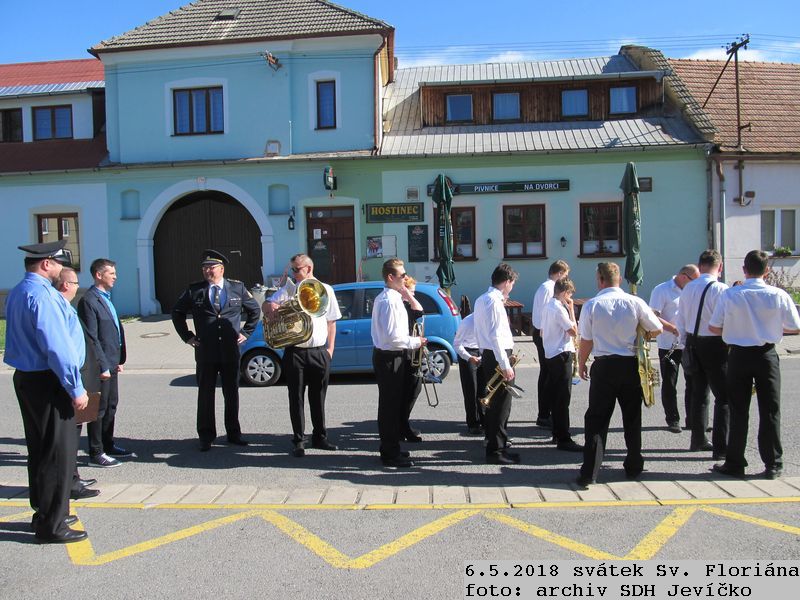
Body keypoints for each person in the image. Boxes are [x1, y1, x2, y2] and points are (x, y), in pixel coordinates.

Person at [4, 240, 90, 544]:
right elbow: (57, 347)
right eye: (58, 263)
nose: (61, 269)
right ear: (46, 264)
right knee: (57, 453)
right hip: (50, 380)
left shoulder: (19, 291)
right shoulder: (43, 295)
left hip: (28, 378)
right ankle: (53, 524)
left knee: (40, 450)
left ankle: (44, 513)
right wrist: (75, 387)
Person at [708, 250, 800, 479]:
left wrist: (736, 328)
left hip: (738, 354)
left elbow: (714, 327)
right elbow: (795, 327)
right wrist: (770, 327)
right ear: (767, 271)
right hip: (766, 354)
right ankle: (773, 464)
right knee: (770, 410)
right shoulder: (778, 294)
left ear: (744, 269)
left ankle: (735, 462)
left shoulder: (730, 295)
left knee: (738, 410)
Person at [576, 262, 662, 487]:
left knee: (596, 419)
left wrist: (581, 363)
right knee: (632, 417)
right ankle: (634, 465)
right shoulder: (635, 302)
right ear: (619, 280)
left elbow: (586, 340)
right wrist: (640, 335)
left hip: (604, 366)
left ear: (600, 280)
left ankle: (590, 472)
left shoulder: (591, 305)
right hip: (630, 364)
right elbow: (657, 328)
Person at [172, 249, 260, 451]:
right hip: (206, 351)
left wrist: (246, 332)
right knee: (205, 395)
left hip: (230, 351)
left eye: (211, 267)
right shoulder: (194, 290)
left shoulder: (237, 288)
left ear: (221, 269)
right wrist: (187, 336)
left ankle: (233, 433)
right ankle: (206, 436)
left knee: (231, 394)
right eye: (204, 267)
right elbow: (177, 312)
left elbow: (254, 310)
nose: (207, 271)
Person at [263, 254, 341, 457]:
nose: (293, 273)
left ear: (308, 268)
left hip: (319, 351)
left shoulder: (326, 290)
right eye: (292, 269)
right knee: (296, 397)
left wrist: (330, 350)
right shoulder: (290, 289)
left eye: (296, 269)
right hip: (295, 351)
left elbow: (332, 322)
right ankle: (299, 440)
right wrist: (270, 305)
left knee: (318, 397)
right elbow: (267, 304)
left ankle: (320, 437)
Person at [371, 258, 426, 468]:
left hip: (391, 355)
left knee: (393, 407)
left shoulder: (391, 297)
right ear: (390, 277)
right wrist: (416, 342)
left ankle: (392, 447)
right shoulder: (389, 301)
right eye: (402, 275)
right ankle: (389, 453)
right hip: (390, 356)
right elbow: (394, 338)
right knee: (389, 407)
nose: (405, 278)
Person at [676, 249, 729, 459]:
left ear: (700, 266)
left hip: (692, 341)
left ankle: (697, 439)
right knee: (723, 396)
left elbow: (681, 319)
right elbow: (725, 320)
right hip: (715, 343)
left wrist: (684, 342)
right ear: (720, 267)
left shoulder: (688, 288)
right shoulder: (721, 289)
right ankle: (721, 447)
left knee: (699, 393)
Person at [77, 258, 129, 468]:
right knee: (99, 408)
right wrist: (102, 365)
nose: (115, 277)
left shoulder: (106, 298)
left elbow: (114, 330)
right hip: (101, 365)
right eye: (111, 273)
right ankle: (96, 452)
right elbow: (92, 337)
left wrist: (119, 359)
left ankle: (108, 444)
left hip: (112, 361)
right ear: (99, 275)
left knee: (111, 405)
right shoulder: (89, 301)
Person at [55, 267, 100, 500]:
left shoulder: (65, 307)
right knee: (68, 436)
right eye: (75, 283)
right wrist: (76, 387)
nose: (77, 287)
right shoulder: (59, 309)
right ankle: (70, 484)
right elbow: (64, 352)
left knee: (73, 433)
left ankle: (73, 478)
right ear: (66, 285)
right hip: (70, 382)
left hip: (76, 378)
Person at [474, 263, 520, 465]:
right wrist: (505, 364)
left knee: (497, 405)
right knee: (501, 406)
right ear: (507, 281)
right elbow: (495, 336)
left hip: (490, 354)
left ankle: (498, 446)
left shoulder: (482, 299)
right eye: (512, 283)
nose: (512, 287)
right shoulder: (493, 301)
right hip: (497, 355)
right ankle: (496, 450)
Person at [648, 264, 700, 432]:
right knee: (670, 383)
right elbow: (653, 316)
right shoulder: (661, 290)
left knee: (693, 382)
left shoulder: (692, 290)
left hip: (689, 343)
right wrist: (672, 328)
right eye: (694, 280)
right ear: (684, 277)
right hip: (669, 344)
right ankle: (673, 419)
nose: (696, 283)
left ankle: (693, 419)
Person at [539, 277, 582, 452]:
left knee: (555, 396)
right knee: (563, 397)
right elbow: (573, 331)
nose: (570, 298)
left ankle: (557, 433)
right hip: (561, 353)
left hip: (550, 353)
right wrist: (571, 310)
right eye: (569, 294)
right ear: (564, 293)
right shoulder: (559, 308)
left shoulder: (547, 306)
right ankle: (563, 437)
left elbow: (542, 332)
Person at [531, 260, 570, 429]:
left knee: (547, 374)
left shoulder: (545, 286)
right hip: (544, 334)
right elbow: (547, 314)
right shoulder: (550, 288)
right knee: (549, 376)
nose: (566, 279)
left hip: (542, 333)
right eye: (565, 275)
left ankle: (545, 413)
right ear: (559, 273)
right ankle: (544, 414)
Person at [400, 275, 425, 443]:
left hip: (411, 351)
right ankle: (402, 426)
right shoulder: (402, 306)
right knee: (409, 390)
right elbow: (419, 310)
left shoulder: (407, 305)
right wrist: (407, 293)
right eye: (412, 291)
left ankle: (403, 424)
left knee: (414, 388)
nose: (414, 295)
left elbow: (420, 311)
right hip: (404, 353)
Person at [453, 312, 485, 435]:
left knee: (484, 390)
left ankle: (485, 420)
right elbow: (457, 344)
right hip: (468, 352)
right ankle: (473, 423)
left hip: (483, 351)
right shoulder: (467, 322)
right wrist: (468, 357)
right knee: (471, 390)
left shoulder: (488, 319)